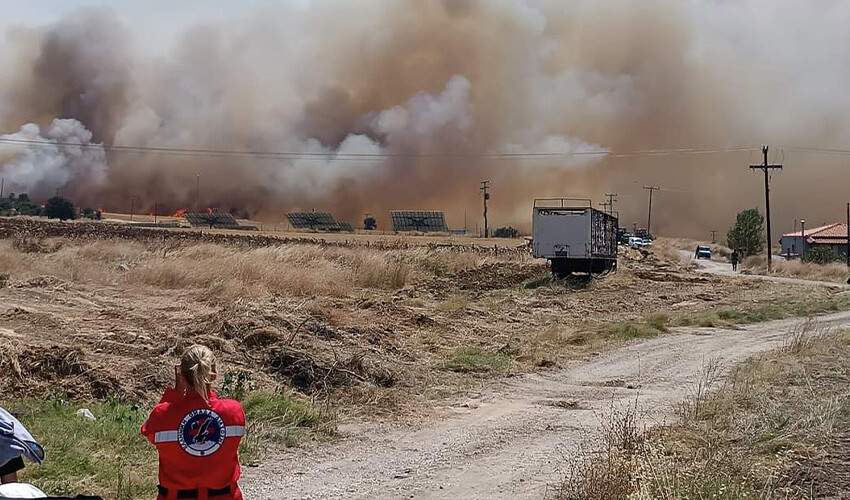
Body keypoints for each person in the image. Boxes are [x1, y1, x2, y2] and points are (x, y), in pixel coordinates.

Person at [142, 346, 245, 500]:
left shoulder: (163, 414)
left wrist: (174, 394)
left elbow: (149, 430)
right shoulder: (233, 410)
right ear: (214, 374)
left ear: (181, 376)